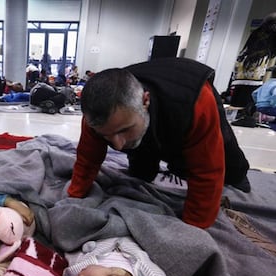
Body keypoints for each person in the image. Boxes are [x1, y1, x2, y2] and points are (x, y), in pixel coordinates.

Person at [68, 57, 250, 229]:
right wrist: (75, 195)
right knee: (140, 172)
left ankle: (238, 174)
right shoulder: (98, 114)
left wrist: (193, 228)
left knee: (212, 164)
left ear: (145, 101)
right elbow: (87, 158)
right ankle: (142, 159)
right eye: (107, 136)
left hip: (186, 96)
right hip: (147, 116)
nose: (118, 146)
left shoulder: (195, 103)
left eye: (124, 130)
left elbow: (207, 171)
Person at [229, 12, 276, 128]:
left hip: (248, 64)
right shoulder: (270, 33)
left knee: (246, 91)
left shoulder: (259, 32)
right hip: (256, 65)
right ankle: (248, 117)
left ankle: (245, 115)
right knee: (251, 92)